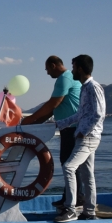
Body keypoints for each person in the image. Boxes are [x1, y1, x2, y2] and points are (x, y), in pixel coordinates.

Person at [21, 55, 82, 208]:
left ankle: (76, 199)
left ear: (54, 65)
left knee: (69, 164)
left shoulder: (64, 78)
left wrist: (30, 119)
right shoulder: (66, 78)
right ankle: (69, 196)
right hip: (68, 127)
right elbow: (55, 108)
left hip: (72, 127)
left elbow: (53, 103)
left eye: (47, 69)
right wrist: (36, 123)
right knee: (69, 163)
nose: (47, 73)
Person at [54, 55, 106, 223]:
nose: (72, 71)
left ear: (81, 69)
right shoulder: (85, 87)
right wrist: (60, 124)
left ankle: (70, 209)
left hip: (88, 137)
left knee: (69, 167)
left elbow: (99, 113)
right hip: (85, 136)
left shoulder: (93, 87)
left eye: (74, 67)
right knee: (86, 174)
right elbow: (80, 114)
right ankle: (89, 211)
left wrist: (83, 131)